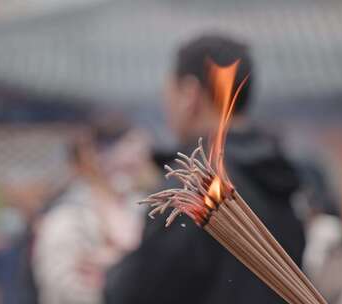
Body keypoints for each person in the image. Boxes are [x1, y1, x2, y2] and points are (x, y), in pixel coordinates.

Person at [104, 34, 306, 304]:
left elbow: (134, 294)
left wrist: (113, 274)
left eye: (169, 94)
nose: (167, 107)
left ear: (189, 95)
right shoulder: (279, 178)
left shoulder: (193, 186)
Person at [32, 125, 152, 304]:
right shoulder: (67, 218)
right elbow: (65, 289)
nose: (135, 161)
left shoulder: (143, 208)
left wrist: (119, 263)